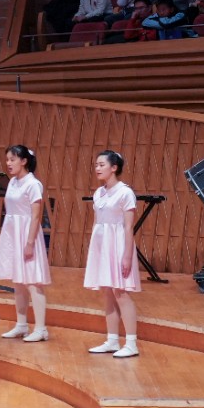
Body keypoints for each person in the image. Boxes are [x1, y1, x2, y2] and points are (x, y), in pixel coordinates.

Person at [84, 150, 140, 358]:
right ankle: (112, 340)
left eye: (102, 165)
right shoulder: (98, 193)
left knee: (121, 293)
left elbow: (128, 227)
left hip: (118, 245)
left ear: (114, 167)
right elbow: (97, 223)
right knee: (107, 292)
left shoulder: (125, 193)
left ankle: (131, 343)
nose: (97, 168)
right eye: (96, 165)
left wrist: (127, 256)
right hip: (102, 246)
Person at [0, 144, 51, 342]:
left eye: (12, 159)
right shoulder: (12, 182)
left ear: (24, 161)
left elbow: (36, 216)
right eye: (7, 159)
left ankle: (41, 329)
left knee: (33, 282)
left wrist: (30, 243)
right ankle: (21, 324)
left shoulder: (33, 184)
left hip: (27, 234)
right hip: (12, 233)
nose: (8, 163)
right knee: (18, 282)